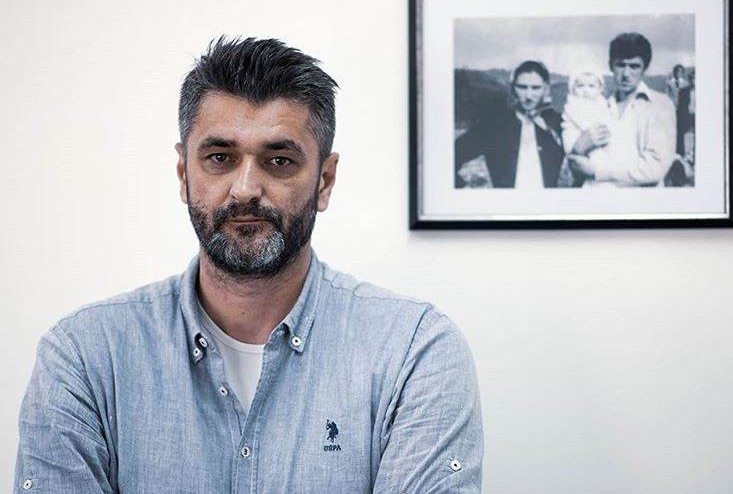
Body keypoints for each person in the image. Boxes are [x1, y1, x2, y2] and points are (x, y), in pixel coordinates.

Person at [14, 37, 483, 493]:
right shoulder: (86, 356)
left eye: (279, 161)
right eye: (219, 158)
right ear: (184, 173)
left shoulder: (413, 352)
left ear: (325, 180)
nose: (244, 189)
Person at [567, 33, 676, 186]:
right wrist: (579, 147)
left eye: (634, 66)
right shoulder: (600, 106)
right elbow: (576, 166)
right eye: (620, 65)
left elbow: (655, 168)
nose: (626, 74)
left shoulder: (660, 105)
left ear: (645, 68)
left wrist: (598, 171)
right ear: (611, 65)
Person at [455, 60, 565, 188]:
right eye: (522, 87)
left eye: (536, 88)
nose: (528, 95)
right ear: (513, 88)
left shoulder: (559, 123)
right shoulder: (494, 124)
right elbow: (450, 156)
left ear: (546, 89)